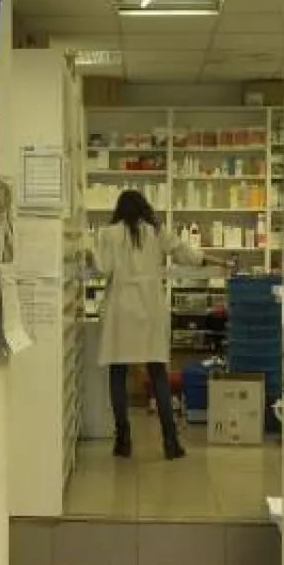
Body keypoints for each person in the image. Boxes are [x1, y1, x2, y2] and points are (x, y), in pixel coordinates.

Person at [91, 189, 215, 460]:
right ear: (144, 208)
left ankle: (123, 440)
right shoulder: (156, 232)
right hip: (150, 310)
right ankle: (171, 441)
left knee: (117, 373)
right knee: (158, 372)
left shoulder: (109, 234)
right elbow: (184, 253)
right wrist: (209, 259)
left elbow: (103, 268)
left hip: (121, 311)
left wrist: (88, 250)